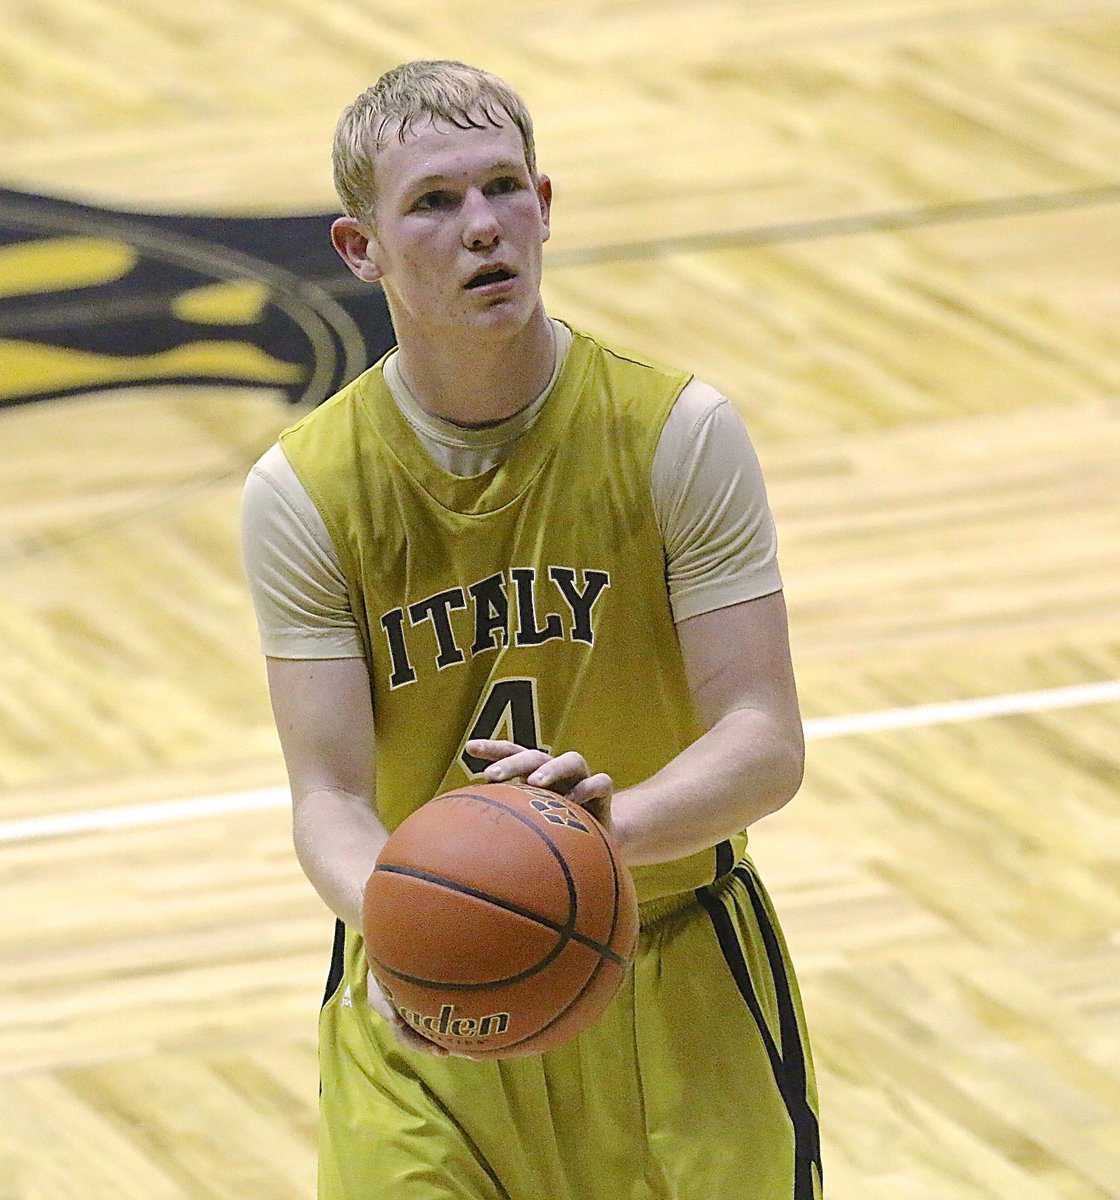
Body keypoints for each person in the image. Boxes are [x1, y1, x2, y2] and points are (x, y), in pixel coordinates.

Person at [241, 58, 821, 1200]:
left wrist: (603, 839)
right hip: (426, 1001)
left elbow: (764, 737)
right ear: (359, 249)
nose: (483, 228)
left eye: (504, 188)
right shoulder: (306, 489)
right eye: (434, 202)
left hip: (674, 971)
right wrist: (409, 922)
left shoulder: (674, 433)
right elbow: (328, 797)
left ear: (544, 206)